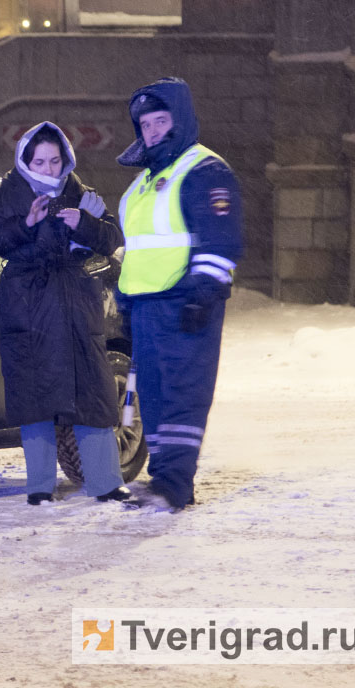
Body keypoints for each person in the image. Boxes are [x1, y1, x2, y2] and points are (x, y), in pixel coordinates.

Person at [0, 122, 135, 506]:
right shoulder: (7, 195)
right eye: (40, 161)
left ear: (65, 158)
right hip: (29, 306)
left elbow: (112, 239)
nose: (49, 169)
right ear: (24, 161)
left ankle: (105, 482)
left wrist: (87, 225)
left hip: (74, 306)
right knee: (35, 399)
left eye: (55, 160)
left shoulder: (78, 192)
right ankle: (40, 487)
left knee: (93, 393)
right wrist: (28, 224)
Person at [115, 77, 243, 512]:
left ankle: (174, 485)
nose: (151, 131)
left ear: (180, 120)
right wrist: (127, 297)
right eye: (145, 124)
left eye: (160, 120)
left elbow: (220, 241)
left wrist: (202, 296)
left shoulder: (204, 171)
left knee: (182, 395)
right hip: (150, 307)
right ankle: (163, 481)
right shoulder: (147, 181)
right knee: (153, 395)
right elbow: (139, 247)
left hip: (186, 304)